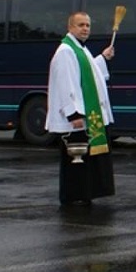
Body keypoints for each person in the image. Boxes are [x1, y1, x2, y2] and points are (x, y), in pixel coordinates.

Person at [45, 11, 116, 206]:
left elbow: (90, 72)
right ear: (70, 27)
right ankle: (72, 195)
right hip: (77, 118)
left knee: (86, 160)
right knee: (76, 159)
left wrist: (102, 57)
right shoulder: (66, 51)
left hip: (84, 116)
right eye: (81, 25)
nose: (85, 28)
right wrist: (73, 113)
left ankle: (84, 193)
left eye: (88, 25)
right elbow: (66, 83)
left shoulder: (80, 50)